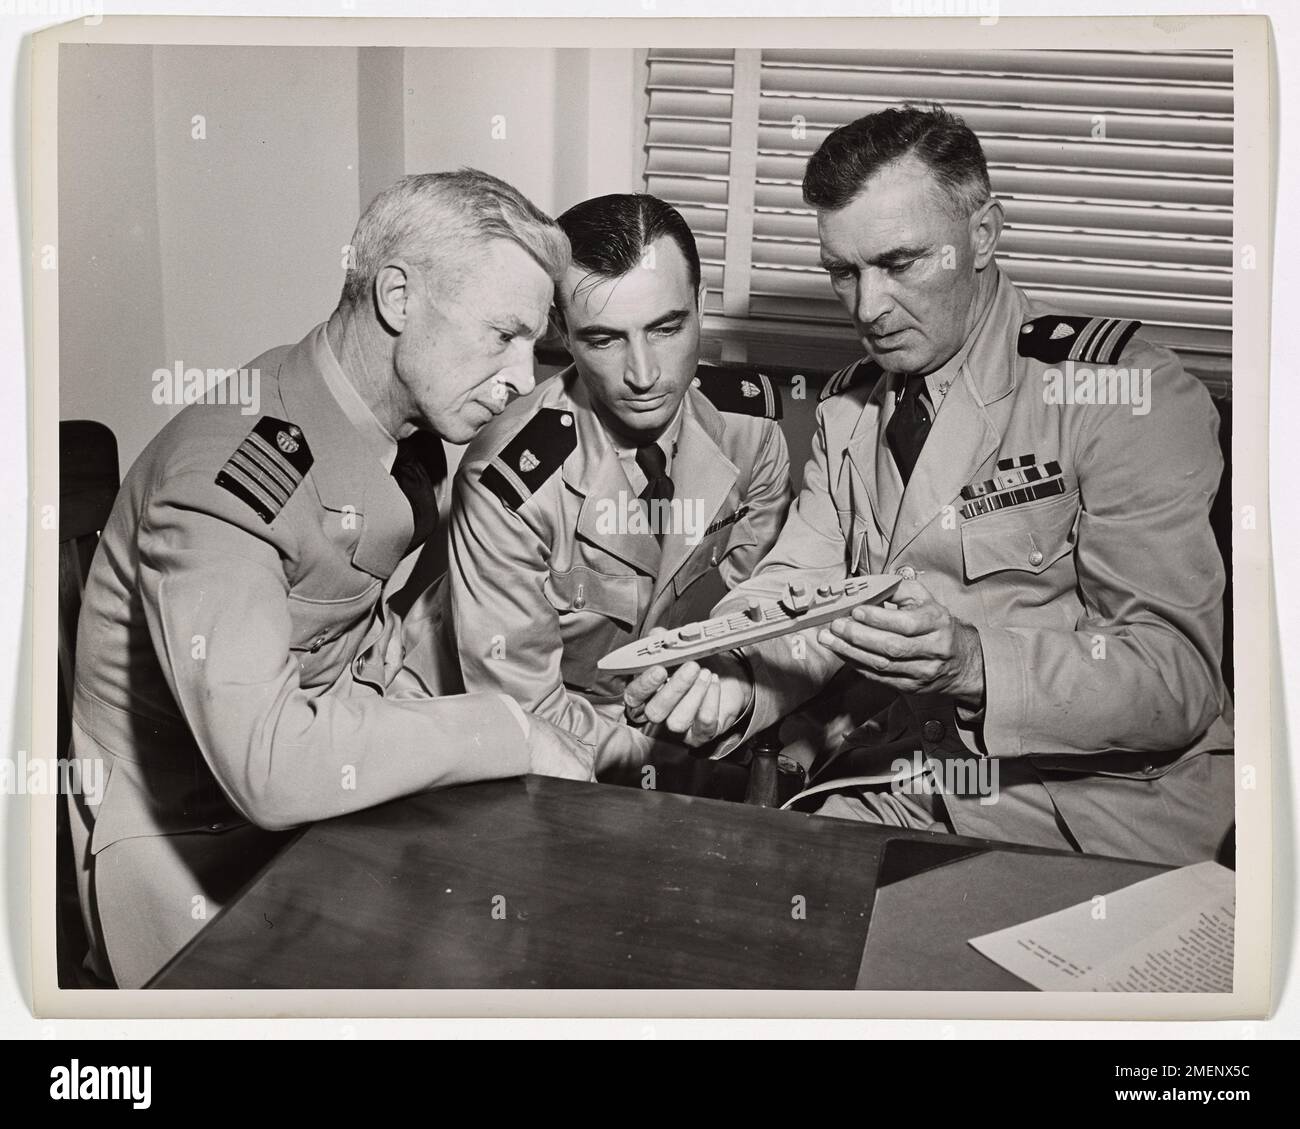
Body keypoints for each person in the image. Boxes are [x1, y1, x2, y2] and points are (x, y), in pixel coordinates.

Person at [625, 106, 1234, 866]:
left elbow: (1174, 679)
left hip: (1087, 819)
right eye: (844, 273)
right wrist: (735, 673)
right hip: (905, 783)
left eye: (900, 263)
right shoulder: (850, 408)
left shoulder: (1118, 393)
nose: (868, 308)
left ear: (982, 235)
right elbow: (793, 591)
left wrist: (975, 663)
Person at [67, 170, 597, 988]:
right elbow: (270, 766)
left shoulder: (389, 418)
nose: (522, 375)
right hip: (193, 847)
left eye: (535, 343)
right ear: (397, 296)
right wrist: (507, 728)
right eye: (502, 335)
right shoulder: (227, 476)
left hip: (319, 810)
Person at [436, 193, 792, 787]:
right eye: (604, 339)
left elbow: (748, 622)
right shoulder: (507, 483)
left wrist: (719, 708)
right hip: (526, 741)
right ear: (565, 336)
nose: (645, 374)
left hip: (679, 725)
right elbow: (524, 713)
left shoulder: (750, 430)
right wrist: (687, 772)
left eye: (667, 327)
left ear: (701, 308)